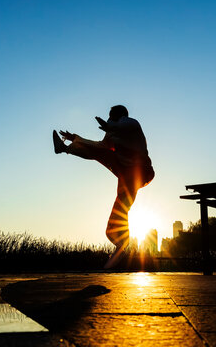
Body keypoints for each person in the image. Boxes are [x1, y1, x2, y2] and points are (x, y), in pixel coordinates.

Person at [52, 105, 154, 268]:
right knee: (121, 204)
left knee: (105, 156)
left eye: (110, 116)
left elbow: (124, 126)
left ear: (117, 116)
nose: (108, 119)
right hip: (124, 170)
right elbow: (98, 147)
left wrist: (110, 126)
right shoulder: (111, 133)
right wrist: (75, 139)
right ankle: (120, 241)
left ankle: (121, 240)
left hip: (140, 170)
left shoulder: (130, 123)